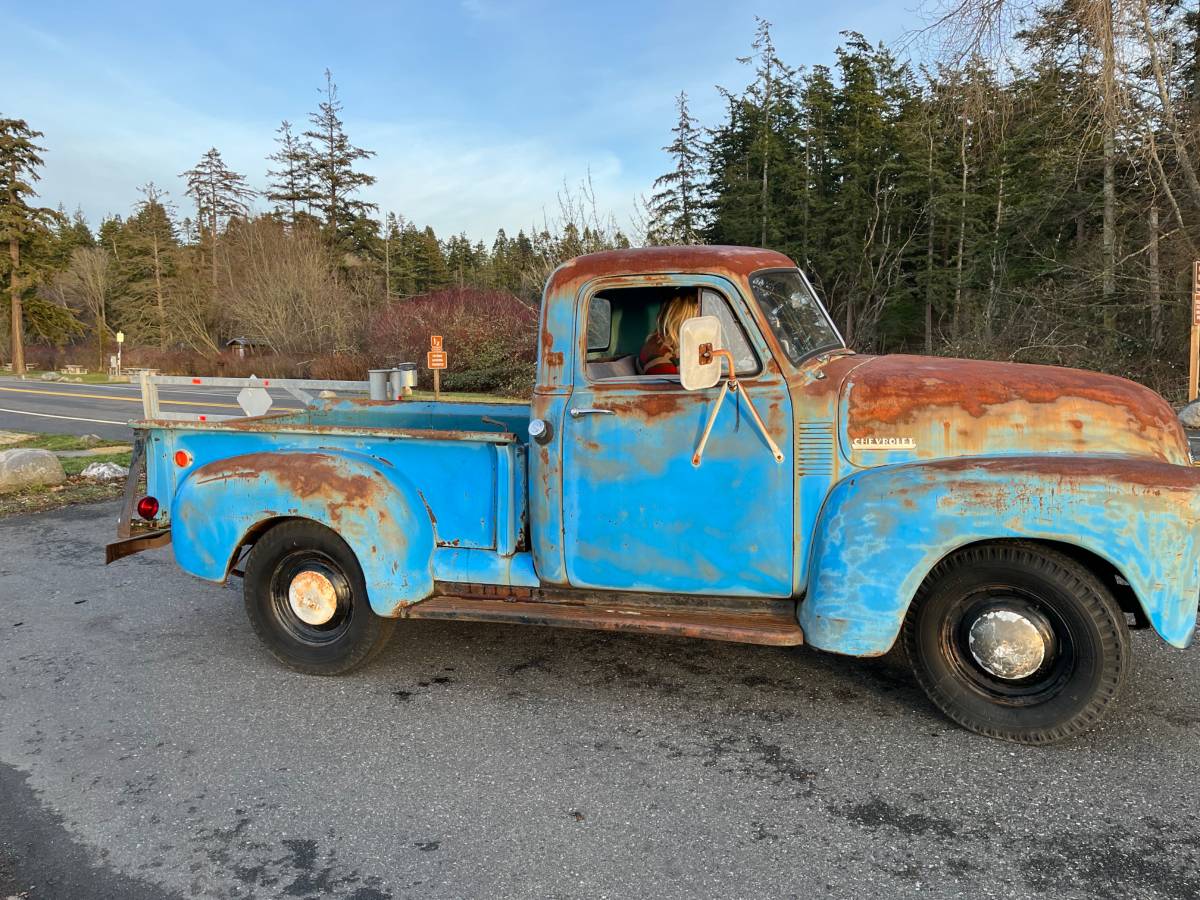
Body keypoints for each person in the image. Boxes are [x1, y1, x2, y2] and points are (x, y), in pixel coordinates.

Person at [637, 292, 699, 375]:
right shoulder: (660, 360)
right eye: (696, 319)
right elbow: (674, 387)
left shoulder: (666, 343)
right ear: (683, 321)